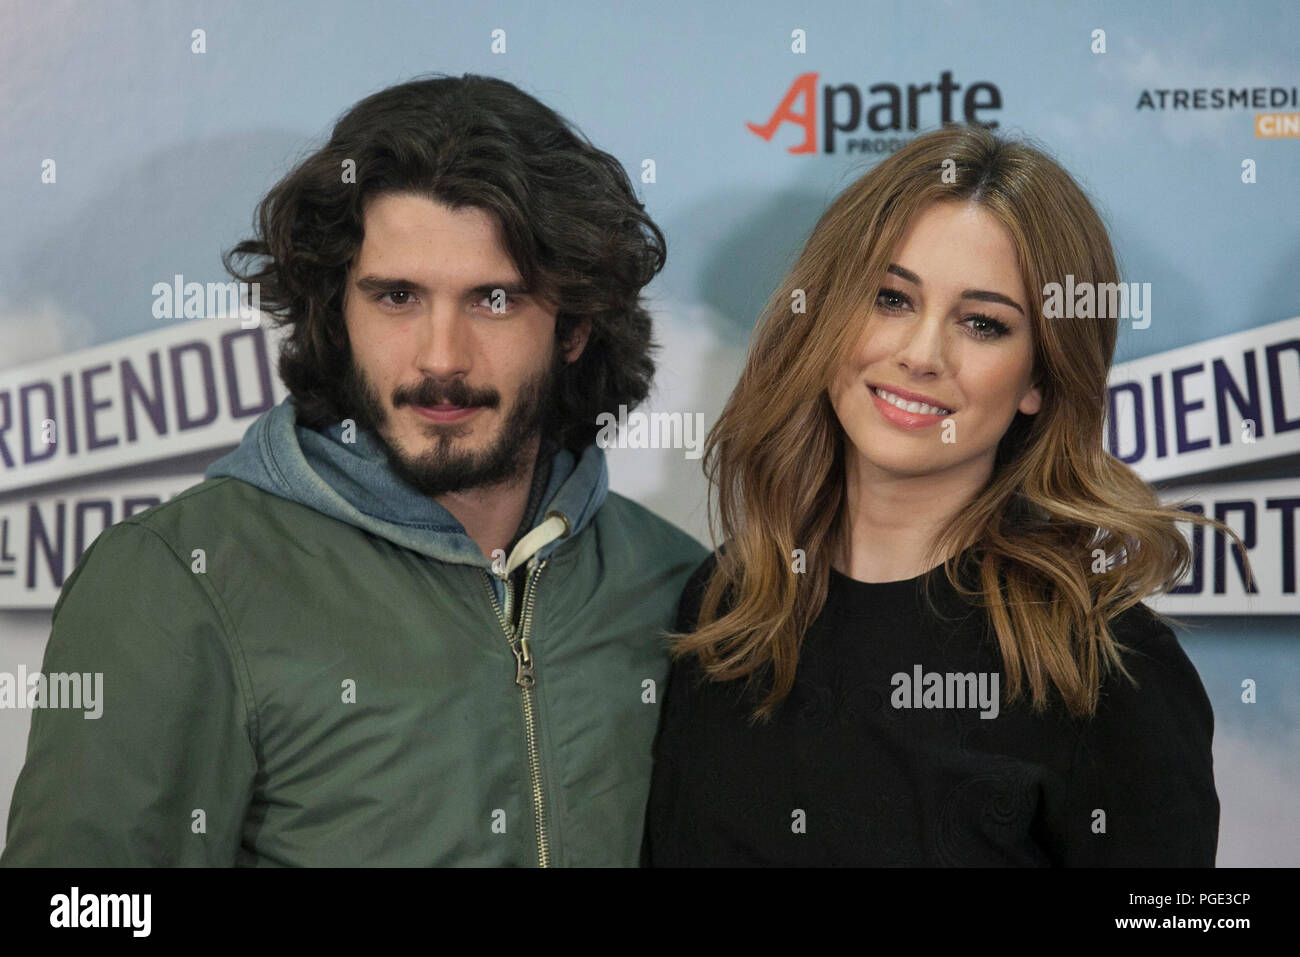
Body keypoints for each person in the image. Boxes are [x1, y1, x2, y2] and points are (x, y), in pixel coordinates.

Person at [2, 74, 704, 867]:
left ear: (574, 325)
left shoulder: (685, 591)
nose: (442, 357)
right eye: (397, 296)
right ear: (334, 311)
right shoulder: (176, 581)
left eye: (494, 301)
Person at [644, 124, 1247, 867]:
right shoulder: (727, 606)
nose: (921, 354)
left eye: (982, 323)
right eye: (891, 298)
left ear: (1038, 379)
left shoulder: (1107, 667)